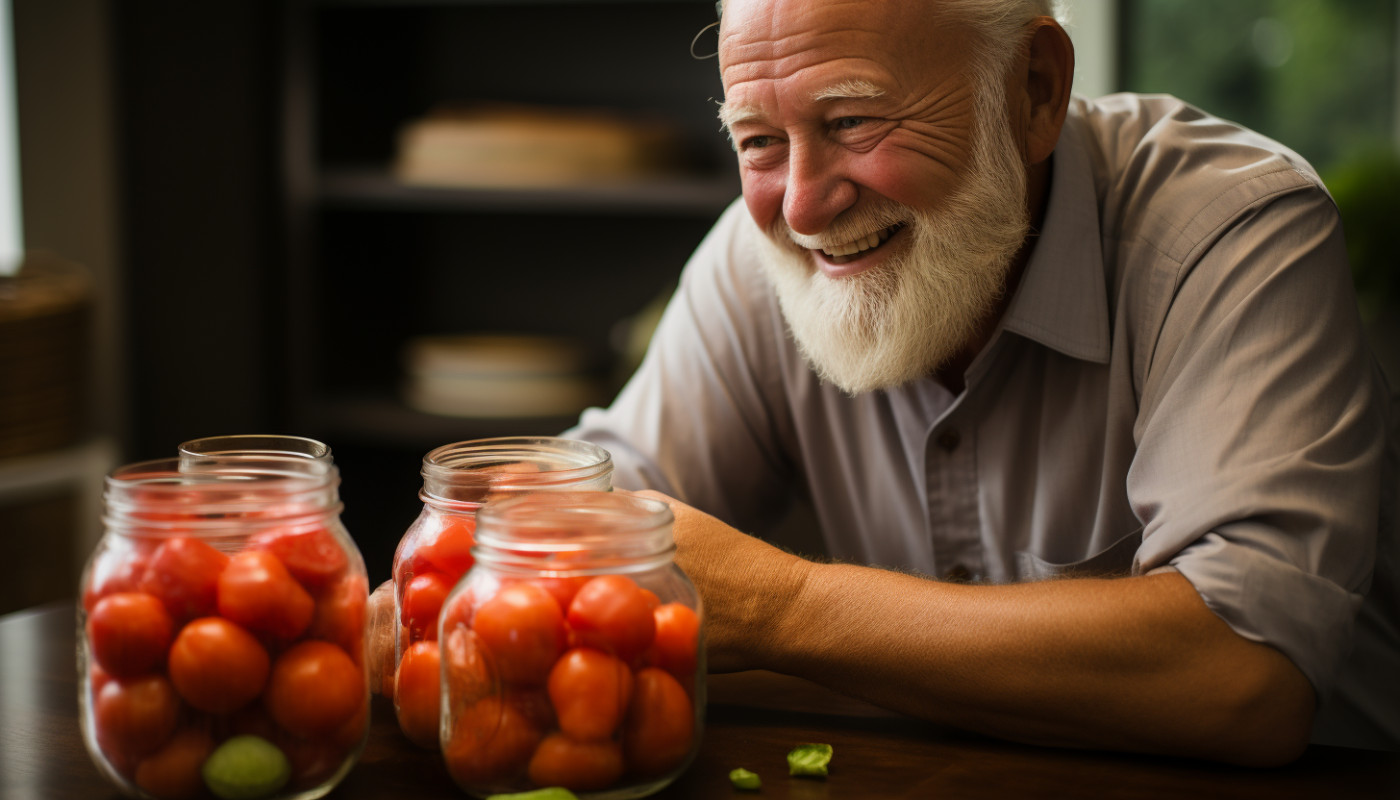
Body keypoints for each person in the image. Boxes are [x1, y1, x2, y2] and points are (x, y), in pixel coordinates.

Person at [563, 0, 1400, 765]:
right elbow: (574, 525)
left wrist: (779, 606)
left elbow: (1245, 677)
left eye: (853, 120)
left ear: (1033, 90)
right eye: (758, 141)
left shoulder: (1233, 234)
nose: (805, 209)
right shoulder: (760, 263)